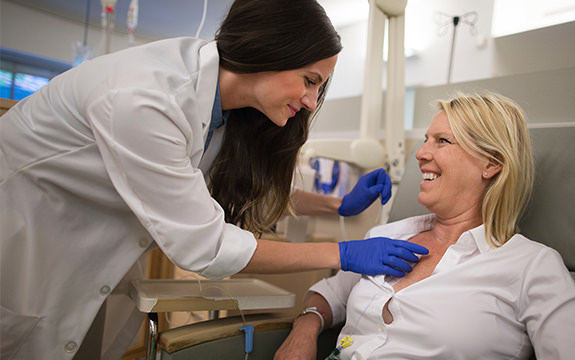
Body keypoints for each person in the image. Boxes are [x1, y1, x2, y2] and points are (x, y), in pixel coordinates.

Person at [0, 0, 428, 359]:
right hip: (24, 238)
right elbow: (205, 246)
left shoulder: (225, 113)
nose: (312, 100)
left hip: (82, 249)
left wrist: (338, 206)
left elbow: (226, 185)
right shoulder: (145, 98)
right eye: (310, 80)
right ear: (269, 51)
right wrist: (342, 252)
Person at [275, 92, 575, 359]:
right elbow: (329, 295)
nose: (420, 153)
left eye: (442, 141)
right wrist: (304, 327)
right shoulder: (387, 236)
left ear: (491, 163)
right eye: (425, 139)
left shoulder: (532, 267)